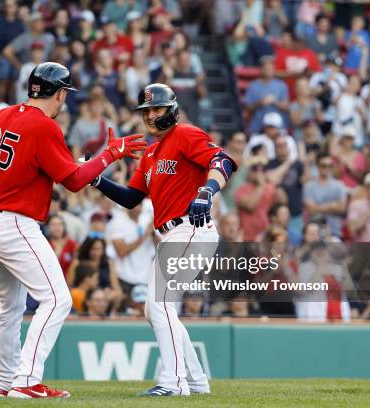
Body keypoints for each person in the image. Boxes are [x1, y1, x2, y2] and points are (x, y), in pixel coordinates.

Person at [0, 62, 145, 399]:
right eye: (65, 92)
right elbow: (75, 181)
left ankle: (5, 383)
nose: (65, 99)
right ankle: (25, 380)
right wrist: (111, 153)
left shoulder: (2, 115)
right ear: (59, 92)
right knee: (57, 299)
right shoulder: (44, 126)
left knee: (11, 306)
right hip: (12, 223)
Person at [92, 83, 237, 396]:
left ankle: (174, 383)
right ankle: (196, 382)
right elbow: (131, 198)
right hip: (172, 233)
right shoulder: (151, 153)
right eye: (146, 111)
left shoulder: (184, 134)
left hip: (191, 227)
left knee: (158, 304)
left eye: (156, 109)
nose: (150, 115)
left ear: (170, 108)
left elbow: (224, 161)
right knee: (157, 309)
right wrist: (97, 179)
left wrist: (207, 191)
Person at [105, 203, 155, 302]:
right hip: (124, 278)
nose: (137, 208)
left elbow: (159, 244)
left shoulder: (147, 221)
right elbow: (121, 251)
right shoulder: (117, 223)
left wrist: (155, 231)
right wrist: (145, 236)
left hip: (146, 278)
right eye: (134, 204)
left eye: (139, 205)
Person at [235, 155, 284, 241]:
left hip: (265, 236)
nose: (259, 172)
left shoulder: (269, 187)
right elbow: (250, 206)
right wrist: (261, 185)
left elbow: (283, 202)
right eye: (255, 169)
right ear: (249, 171)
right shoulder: (241, 189)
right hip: (246, 237)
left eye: (263, 169)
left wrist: (276, 184)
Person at [303, 154, 347, 239]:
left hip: (335, 232)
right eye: (323, 165)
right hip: (314, 234)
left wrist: (318, 207)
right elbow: (311, 210)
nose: (327, 168)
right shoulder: (309, 186)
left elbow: (341, 208)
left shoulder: (339, 185)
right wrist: (333, 205)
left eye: (330, 166)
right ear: (318, 167)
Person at [243, 55, 289, 134]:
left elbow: (286, 107)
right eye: (266, 68)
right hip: (258, 127)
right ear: (261, 69)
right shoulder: (253, 85)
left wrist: (275, 102)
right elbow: (248, 108)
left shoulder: (281, 85)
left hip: (278, 128)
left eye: (271, 68)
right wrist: (260, 103)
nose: (269, 70)